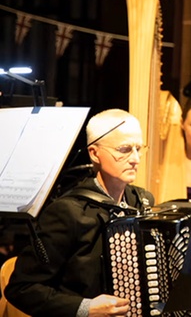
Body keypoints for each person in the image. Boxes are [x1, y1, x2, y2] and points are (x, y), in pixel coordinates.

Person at [5, 109, 155, 317]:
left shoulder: (142, 201)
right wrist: (86, 308)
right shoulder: (67, 213)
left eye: (139, 148)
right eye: (124, 149)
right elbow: (22, 289)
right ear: (94, 153)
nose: (135, 159)